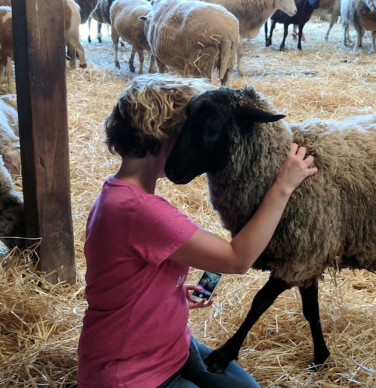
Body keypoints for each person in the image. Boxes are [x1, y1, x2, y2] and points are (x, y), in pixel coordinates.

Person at [77, 74, 318, 388]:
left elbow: (130, 275)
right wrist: (283, 185)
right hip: (130, 374)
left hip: (170, 347)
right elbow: (237, 259)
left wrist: (170, 296)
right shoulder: (140, 211)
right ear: (169, 136)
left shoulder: (119, 194)